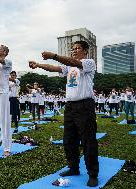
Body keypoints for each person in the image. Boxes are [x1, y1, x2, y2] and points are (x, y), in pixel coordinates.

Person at [29, 40, 98, 187]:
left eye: (77, 48)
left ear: (85, 51)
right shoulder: (69, 66)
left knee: (88, 141)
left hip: (85, 105)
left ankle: (93, 174)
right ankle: (73, 168)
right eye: (72, 49)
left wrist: (53, 55)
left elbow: (71, 62)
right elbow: (54, 68)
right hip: (70, 106)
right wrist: (38, 65)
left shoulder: (89, 63)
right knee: (69, 140)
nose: (74, 50)